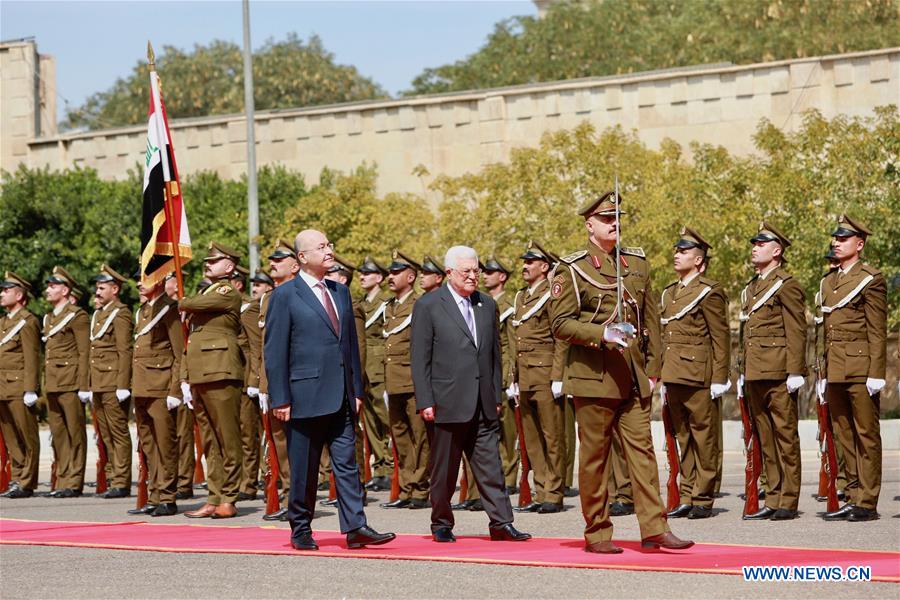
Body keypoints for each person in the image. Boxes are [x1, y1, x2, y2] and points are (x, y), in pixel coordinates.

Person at [548, 191, 692, 553]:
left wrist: (654, 367)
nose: (615, 224)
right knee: (595, 459)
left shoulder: (636, 263)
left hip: (633, 375)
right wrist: (601, 333)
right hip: (594, 376)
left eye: (618, 218)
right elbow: (560, 324)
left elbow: (651, 320)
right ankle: (597, 532)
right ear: (589, 225)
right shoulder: (573, 268)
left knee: (642, 454)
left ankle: (655, 528)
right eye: (607, 219)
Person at [264, 229, 395, 551]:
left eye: (329, 245)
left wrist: (357, 390)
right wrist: (280, 397)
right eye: (320, 247)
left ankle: (355, 526)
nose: (328, 250)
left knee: (347, 464)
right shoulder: (285, 295)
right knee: (305, 470)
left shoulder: (339, 292)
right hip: (303, 396)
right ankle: (300, 528)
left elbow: (349, 345)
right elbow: (275, 351)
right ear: (302, 258)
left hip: (341, 396)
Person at [411, 245, 531, 543]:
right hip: (445, 402)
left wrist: (495, 395)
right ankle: (441, 522)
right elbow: (419, 357)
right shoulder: (429, 305)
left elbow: (492, 356)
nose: (473, 276)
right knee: (445, 471)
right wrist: (425, 400)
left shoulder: (487, 305)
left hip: (482, 403)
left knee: (491, 468)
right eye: (466, 271)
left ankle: (501, 522)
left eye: (476, 270)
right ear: (449, 272)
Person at [658, 228, 730, 520]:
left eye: (684, 252)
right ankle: (686, 494)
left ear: (699, 260)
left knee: (704, 438)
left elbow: (720, 337)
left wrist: (719, 378)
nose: (677, 255)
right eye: (677, 251)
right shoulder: (670, 292)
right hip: (674, 373)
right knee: (683, 437)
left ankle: (703, 497)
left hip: (699, 375)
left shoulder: (709, 291)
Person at [738, 222, 807, 521]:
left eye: (761, 244)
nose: (754, 247)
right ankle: (773, 496)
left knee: (785, 437)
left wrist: (795, 371)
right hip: (755, 372)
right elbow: (747, 334)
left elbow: (796, 329)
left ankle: (788, 501)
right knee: (765, 438)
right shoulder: (752, 287)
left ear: (776, 251)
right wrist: (742, 370)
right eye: (754, 243)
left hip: (779, 372)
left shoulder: (787, 284)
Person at [820, 215, 887, 522]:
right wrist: (823, 371)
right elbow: (826, 331)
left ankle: (867, 501)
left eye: (843, 239)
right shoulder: (829, 281)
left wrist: (877, 372)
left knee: (866, 434)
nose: (836, 242)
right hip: (835, 368)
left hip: (860, 367)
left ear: (859, 245)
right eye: (835, 238)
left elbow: (876, 330)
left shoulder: (871, 279)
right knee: (842, 433)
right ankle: (851, 493)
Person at [179, 242, 245, 519]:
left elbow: (191, 304)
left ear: (229, 266)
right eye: (207, 260)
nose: (208, 263)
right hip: (202, 372)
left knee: (228, 439)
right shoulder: (207, 291)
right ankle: (214, 497)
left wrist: (180, 300)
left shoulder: (226, 291)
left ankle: (229, 497)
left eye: (214, 260)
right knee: (209, 442)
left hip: (221, 370)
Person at [509, 240, 569, 514]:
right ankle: (541, 490)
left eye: (530, 262)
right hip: (525, 376)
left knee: (552, 436)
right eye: (524, 261)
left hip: (545, 374)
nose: (524, 266)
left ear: (544, 267)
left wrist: (558, 375)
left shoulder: (553, 293)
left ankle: (554, 494)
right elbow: (514, 341)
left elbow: (560, 337)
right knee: (532, 438)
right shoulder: (521, 297)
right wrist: (513, 377)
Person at [130, 272, 184, 516]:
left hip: (161, 387)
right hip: (142, 386)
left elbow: (178, 352)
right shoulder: (143, 310)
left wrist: (175, 389)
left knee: (165, 444)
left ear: (160, 281)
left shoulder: (169, 309)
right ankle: (154, 494)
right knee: (148, 445)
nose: (140, 284)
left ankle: (167, 497)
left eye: (145, 279)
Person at [380, 251, 430, 509]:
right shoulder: (389, 307)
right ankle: (408, 487)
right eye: (390, 272)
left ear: (410, 277)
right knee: (399, 436)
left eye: (396, 272)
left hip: (412, 380)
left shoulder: (420, 304)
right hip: (392, 381)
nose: (390, 276)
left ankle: (421, 489)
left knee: (420, 437)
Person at [258, 239, 300, 521]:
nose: (272, 264)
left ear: (296, 265)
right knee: (278, 445)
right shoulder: (268, 298)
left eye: (280, 260)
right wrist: (262, 384)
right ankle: (286, 498)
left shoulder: (299, 294)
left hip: (294, 383)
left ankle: (297, 500)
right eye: (272, 260)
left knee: (295, 445)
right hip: (272, 384)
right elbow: (265, 348)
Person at [43, 266, 90, 498]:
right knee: (58, 434)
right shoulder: (49, 318)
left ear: (65, 289)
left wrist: (84, 385)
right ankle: (62, 479)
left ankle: (74, 481)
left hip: (70, 382)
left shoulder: (77, 315)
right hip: (53, 382)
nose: (48, 290)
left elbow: (84, 352)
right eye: (48, 286)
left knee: (75, 433)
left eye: (53, 286)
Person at [88, 264, 134, 499]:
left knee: (118, 432)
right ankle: (112, 476)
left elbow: (124, 350)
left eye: (102, 287)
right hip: (98, 382)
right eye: (97, 287)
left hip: (113, 381)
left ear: (114, 289)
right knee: (105, 434)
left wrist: (123, 384)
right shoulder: (100, 314)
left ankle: (121, 481)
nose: (97, 291)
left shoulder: (121, 313)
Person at [480, 256, 519, 496]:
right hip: (488, 374)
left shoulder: (508, 306)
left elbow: (512, 346)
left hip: (503, 375)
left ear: (502, 276)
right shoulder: (482, 303)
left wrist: (512, 378)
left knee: (507, 433)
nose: (485, 275)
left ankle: (511, 477)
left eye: (490, 271)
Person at [0, 272, 41, 499]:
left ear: (19, 294)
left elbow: (31, 357)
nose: (1, 294)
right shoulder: (4, 322)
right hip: (2, 387)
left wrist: (30, 388)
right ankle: (17, 478)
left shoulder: (28, 321)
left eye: (6, 290)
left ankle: (27, 481)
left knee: (27, 436)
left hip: (18, 387)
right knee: (10, 437)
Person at [357, 257, 393, 492]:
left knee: (386, 419)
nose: (362, 276)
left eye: (367, 274)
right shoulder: (362, 303)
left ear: (379, 277)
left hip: (380, 366)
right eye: (360, 273)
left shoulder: (385, 302)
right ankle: (380, 468)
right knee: (370, 422)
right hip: (366, 368)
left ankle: (391, 467)